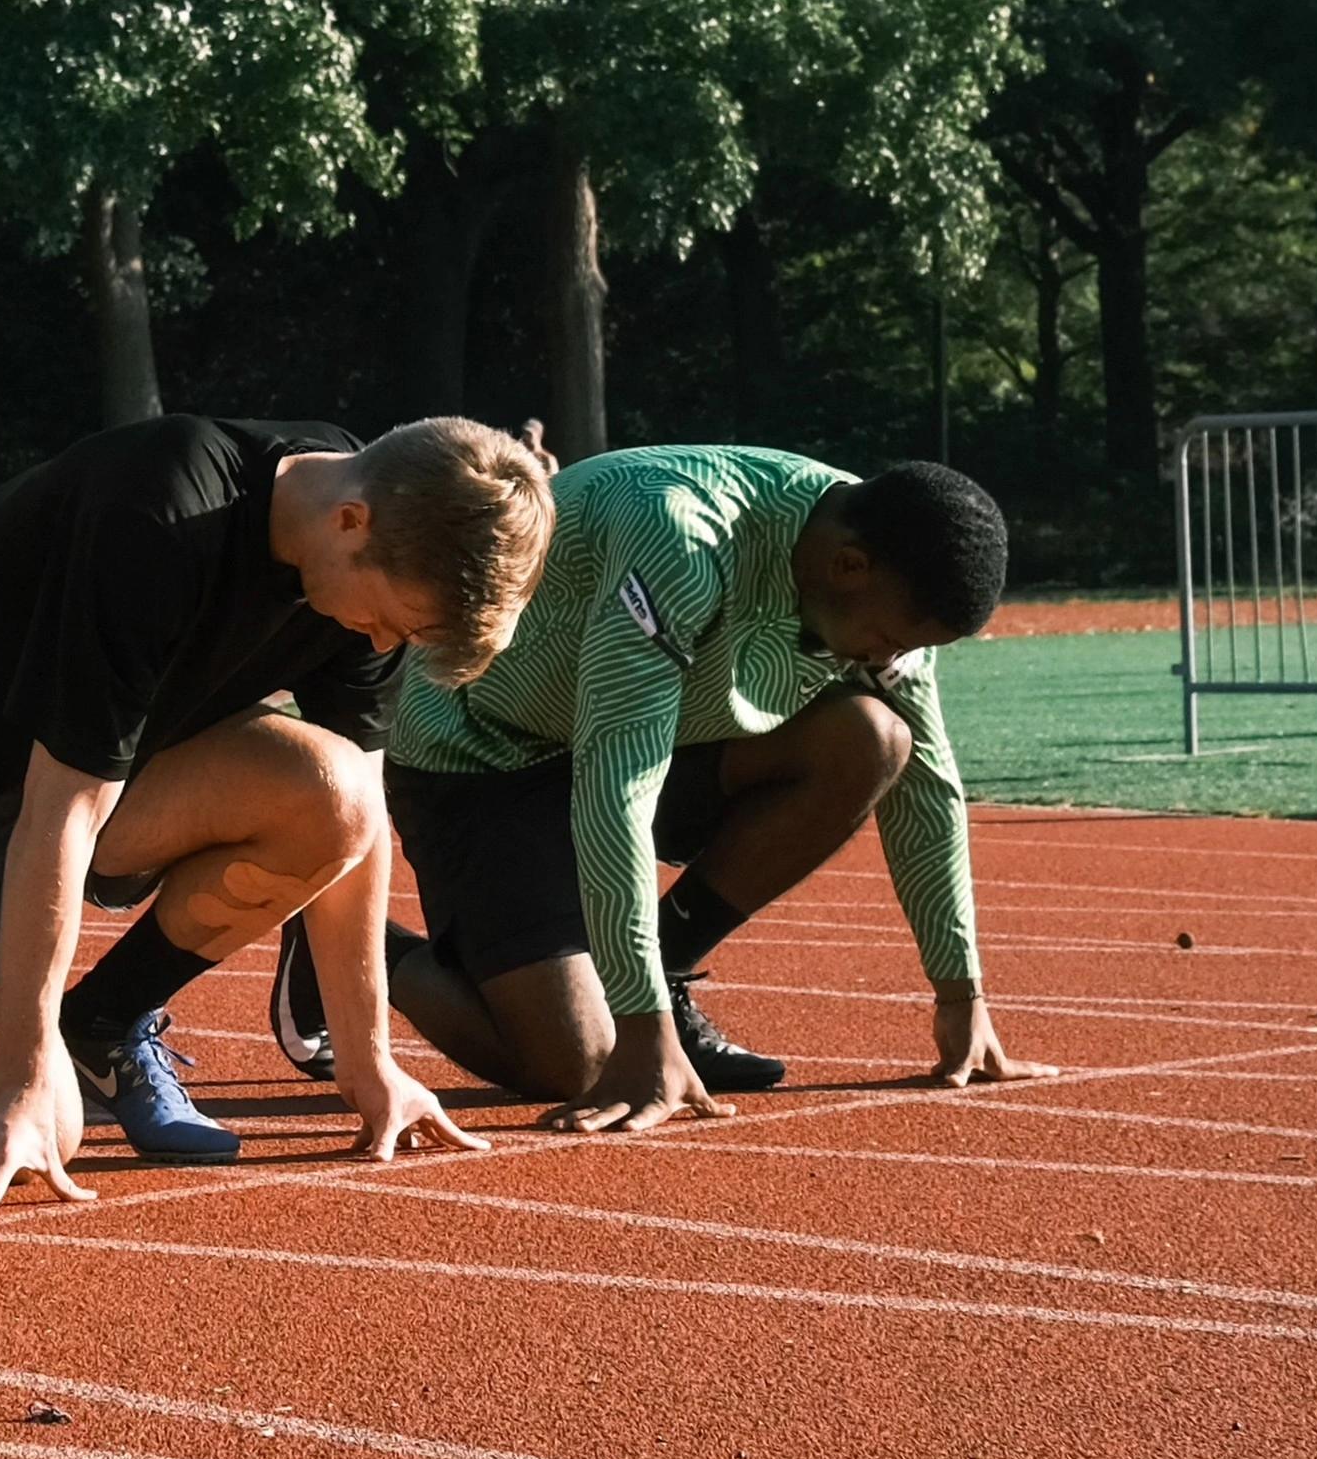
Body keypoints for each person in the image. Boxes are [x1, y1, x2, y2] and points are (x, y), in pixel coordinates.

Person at [0, 414, 553, 1212]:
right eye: (390, 621)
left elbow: (356, 823)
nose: (384, 643)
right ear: (349, 521)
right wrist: (14, 1085)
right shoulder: (156, 519)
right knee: (18, 1131)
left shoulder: (383, 528)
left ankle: (100, 1024)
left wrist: (370, 1066)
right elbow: (58, 819)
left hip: (78, 777)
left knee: (336, 798)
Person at [270, 446, 1056, 1130]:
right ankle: (343, 933)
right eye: (887, 640)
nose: (890, 658)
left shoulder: (888, 549)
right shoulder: (678, 538)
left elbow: (927, 781)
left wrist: (960, 991)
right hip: (481, 755)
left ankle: (663, 974)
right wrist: (638, 1029)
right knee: (575, 1062)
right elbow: (617, 782)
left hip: (654, 728)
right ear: (845, 566)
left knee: (874, 736)